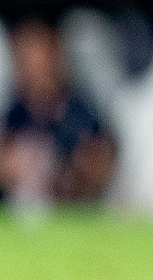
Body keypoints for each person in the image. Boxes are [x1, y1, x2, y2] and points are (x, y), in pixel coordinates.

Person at [1, 19, 115, 213]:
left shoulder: (78, 111)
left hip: (70, 214)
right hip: (22, 218)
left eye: (38, 52)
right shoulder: (15, 114)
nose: (33, 63)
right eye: (25, 54)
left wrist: (75, 167)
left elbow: (101, 163)